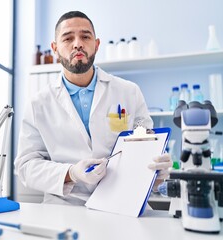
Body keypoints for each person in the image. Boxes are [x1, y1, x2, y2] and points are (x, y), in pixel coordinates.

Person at [15, 11, 172, 205]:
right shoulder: (38, 103)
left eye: (85, 36)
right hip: (65, 205)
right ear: (55, 49)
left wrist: (156, 169)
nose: (77, 43)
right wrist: (71, 173)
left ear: (96, 45)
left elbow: (148, 144)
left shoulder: (129, 92)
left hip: (124, 201)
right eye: (68, 38)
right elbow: (26, 166)